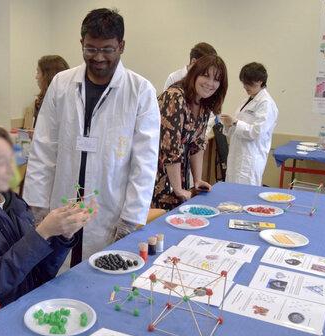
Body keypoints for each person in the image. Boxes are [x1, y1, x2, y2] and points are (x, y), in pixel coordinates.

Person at [23, 8, 160, 266]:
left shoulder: (140, 91)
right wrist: (38, 207)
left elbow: (145, 162)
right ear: (81, 43)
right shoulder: (61, 84)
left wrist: (131, 219)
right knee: (54, 276)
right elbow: (43, 148)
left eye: (107, 49)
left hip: (110, 208)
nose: (98, 57)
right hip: (62, 204)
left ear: (121, 46)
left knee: (100, 277)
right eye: (90, 48)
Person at [0, 124, 96, 306]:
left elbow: (39, 272)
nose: (12, 169)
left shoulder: (11, 201)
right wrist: (42, 233)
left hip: (25, 301)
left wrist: (63, 235)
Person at [153, 55, 228, 210]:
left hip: (178, 175)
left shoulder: (204, 103)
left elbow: (197, 144)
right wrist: (178, 189)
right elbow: (170, 148)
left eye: (216, 79)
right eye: (205, 76)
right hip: (157, 176)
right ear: (194, 74)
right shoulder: (174, 97)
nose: (210, 83)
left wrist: (197, 180)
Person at [220, 62, 278, 186]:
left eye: (250, 83)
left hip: (250, 158)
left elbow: (257, 132)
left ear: (260, 81)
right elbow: (236, 129)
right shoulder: (247, 100)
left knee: (244, 195)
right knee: (232, 194)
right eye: (244, 83)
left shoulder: (266, 104)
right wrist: (228, 124)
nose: (246, 86)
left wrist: (235, 122)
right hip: (237, 154)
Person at [32, 55, 70, 128]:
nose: (36, 77)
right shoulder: (41, 100)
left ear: (48, 75)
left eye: (38, 72)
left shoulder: (65, 101)